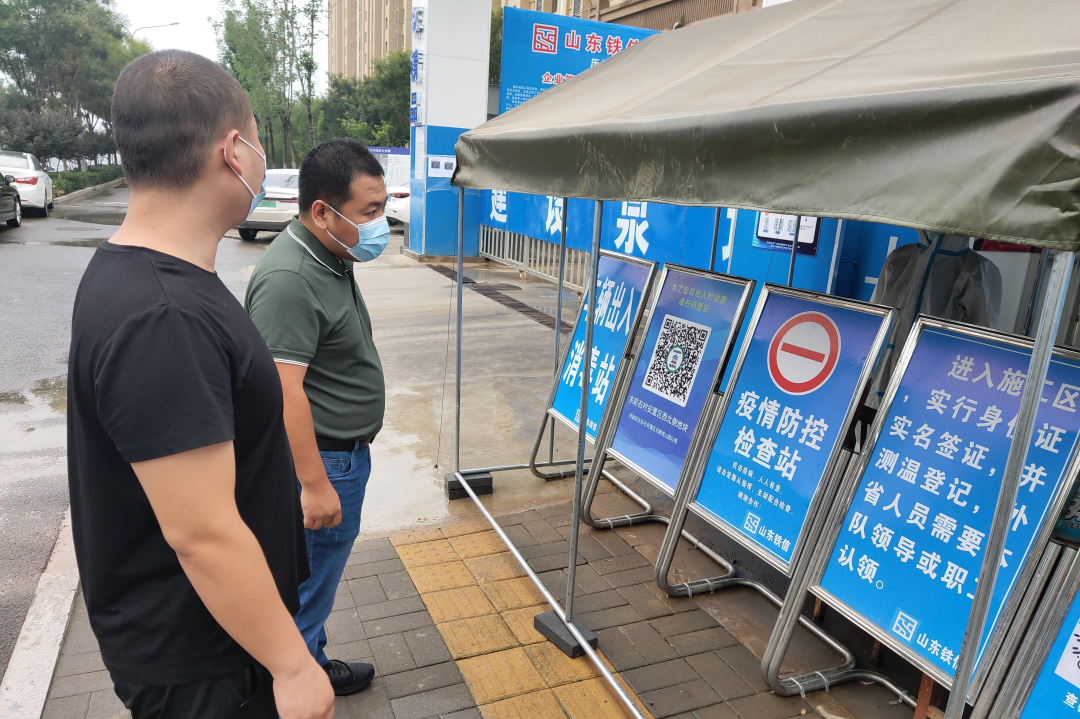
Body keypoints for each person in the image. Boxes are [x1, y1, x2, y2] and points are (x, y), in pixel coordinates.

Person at [66, 50, 333, 719]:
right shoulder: (164, 316)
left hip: (213, 640)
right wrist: (293, 664)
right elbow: (203, 533)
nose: (261, 159)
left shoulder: (148, 276)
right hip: (206, 663)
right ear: (233, 150)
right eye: (257, 140)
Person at [245, 139, 388, 695]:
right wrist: (314, 485)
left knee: (315, 578)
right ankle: (298, 686)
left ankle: (310, 659)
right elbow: (282, 392)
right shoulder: (292, 279)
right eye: (369, 211)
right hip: (325, 461)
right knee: (307, 583)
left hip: (340, 455)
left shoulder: (329, 254)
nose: (380, 224)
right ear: (324, 212)